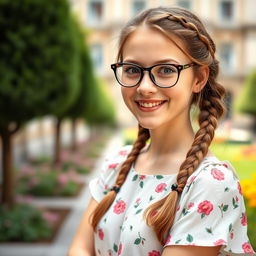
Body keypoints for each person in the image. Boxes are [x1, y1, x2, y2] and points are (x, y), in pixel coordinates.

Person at [68, 6, 255, 256]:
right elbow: (79, 248)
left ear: (199, 78)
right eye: (133, 69)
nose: (145, 87)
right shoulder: (118, 165)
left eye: (166, 70)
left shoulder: (209, 183)